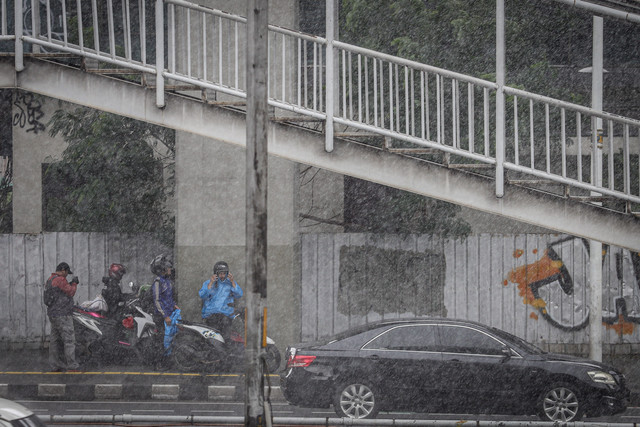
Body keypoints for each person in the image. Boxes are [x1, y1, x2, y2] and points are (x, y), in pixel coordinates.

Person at [46, 262, 80, 372]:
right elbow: (70, 292)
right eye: (67, 273)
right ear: (63, 270)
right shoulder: (60, 279)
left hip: (53, 314)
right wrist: (74, 283)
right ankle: (71, 365)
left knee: (55, 341)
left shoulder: (50, 279)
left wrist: (69, 283)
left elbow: (59, 293)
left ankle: (54, 365)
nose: (67, 275)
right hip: (63, 314)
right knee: (69, 340)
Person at [199, 261, 243, 345]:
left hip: (226, 315)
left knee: (226, 337)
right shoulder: (208, 282)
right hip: (211, 315)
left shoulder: (230, 283)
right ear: (216, 273)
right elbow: (202, 295)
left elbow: (239, 294)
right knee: (213, 338)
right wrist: (211, 283)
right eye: (220, 273)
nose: (222, 276)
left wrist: (233, 282)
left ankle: (224, 354)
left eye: (224, 273)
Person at [150, 254, 178, 369]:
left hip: (169, 314)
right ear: (163, 270)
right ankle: (159, 364)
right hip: (160, 316)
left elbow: (168, 298)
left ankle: (167, 361)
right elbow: (157, 300)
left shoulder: (167, 281)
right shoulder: (158, 282)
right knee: (160, 340)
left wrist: (174, 306)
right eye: (168, 268)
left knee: (169, 338)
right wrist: (165, 316)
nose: (170, 269)